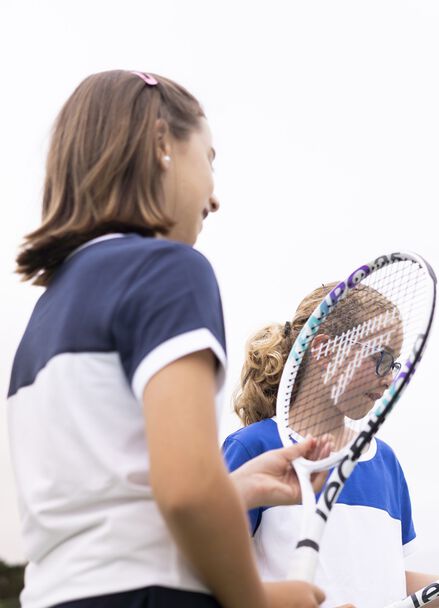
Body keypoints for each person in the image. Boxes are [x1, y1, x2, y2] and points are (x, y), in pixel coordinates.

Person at [7, 69, 326, 608]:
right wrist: (262, 600)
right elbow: (186, 493)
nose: (214, 197)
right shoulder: (172, 270)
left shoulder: (47, 311)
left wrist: (236, 488)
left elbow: (106, 499)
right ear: (161, 144)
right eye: (210, 160)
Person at [223, 283, 439, 608]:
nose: (389, 377)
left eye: (395, 364)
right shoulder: (253, 449)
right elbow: (211, 579)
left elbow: (392, 582)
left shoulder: (384, 461)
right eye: (380, 358)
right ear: (324, 350)